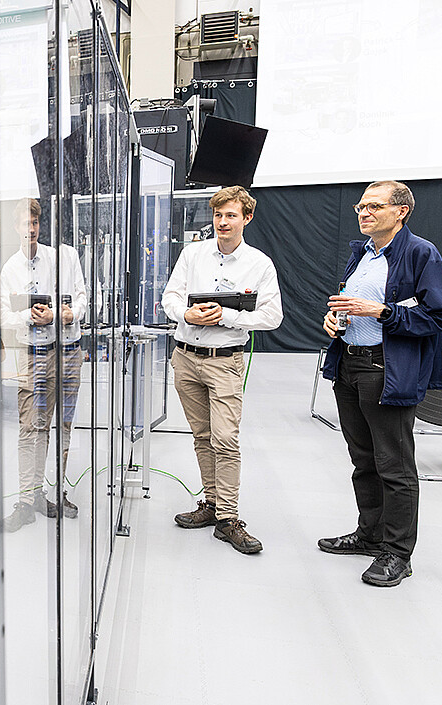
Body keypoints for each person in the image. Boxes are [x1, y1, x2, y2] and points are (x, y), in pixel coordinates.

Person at [320, 180, 442, 586]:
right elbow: (348, 303)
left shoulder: (420, 253)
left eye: (374, 206)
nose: (363, 212)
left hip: (386, 372)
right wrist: (334, 323)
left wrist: (383, 312)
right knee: (364, 460)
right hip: (349, 367)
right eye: (360, 206)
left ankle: (397, 554)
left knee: (394, 467)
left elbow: (438, 317)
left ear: (401, 211)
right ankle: (370, 535)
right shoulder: (361, 253)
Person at [161, 185, 283, 554]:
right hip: (185, 357)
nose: (223, 222)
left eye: (231, 215)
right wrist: (186, 313)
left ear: (247, 218)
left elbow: (272, 317)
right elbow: (170, 297)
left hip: (225, 361)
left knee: (225, 440)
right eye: (218, 215)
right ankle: (211, 505)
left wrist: (226, 315)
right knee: (201, 436)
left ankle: (228, 519)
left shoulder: (259, 264)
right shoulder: (192, 254)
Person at [0, 198, 87, 532]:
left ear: (40, 225)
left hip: (67, 352)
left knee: (62, 426)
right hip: (32, 354)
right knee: (30, 427)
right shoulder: (10, 269)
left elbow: (82, 297)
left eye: (35, 222)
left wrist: (69, 314)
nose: (31, 229)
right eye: (25, 223)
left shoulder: (64, 256)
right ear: (16, 227)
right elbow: (6, 316)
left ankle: (54, 490)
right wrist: (30, 317)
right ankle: (26, 498)